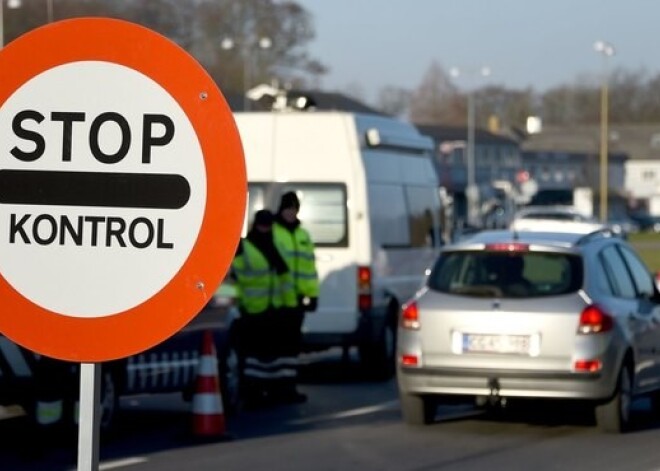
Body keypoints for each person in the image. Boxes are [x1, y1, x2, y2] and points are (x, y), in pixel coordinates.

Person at [231, 209, 297, 407]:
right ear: (255, 225)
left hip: (274, 310)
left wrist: (290, 306)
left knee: (273, 356)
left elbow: (284, 277)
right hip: (251, 311)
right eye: (262, 225)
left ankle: (274, 390)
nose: (265, 229)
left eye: (268, 226)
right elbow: (235, 279)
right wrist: (239, 306)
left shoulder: (276, 246)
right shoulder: (244, 247)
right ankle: (253, 392)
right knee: (253, 358)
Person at [272, 191, 320, 403]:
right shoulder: (273, 233)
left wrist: (312, 295)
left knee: (292, 349)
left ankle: (289, 387)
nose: (290, 212)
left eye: (294, 208)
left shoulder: (303, 236)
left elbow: (310, 269)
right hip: (275, 301)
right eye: (287, 208)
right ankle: (275, 387)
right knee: (277, 348)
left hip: (297, 302)